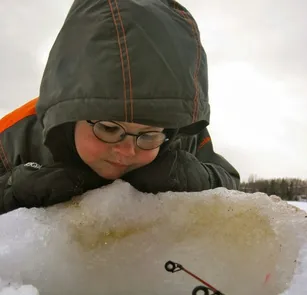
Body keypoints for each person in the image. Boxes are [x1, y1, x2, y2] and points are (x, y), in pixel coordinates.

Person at [0, 0, 240, 215]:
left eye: (148, 135)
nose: (126, 152)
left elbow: (231, 183)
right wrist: (13, 189)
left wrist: (198, 177)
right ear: (71, 114)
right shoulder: (13, 137)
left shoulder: (181, 132)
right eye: (108, 129)